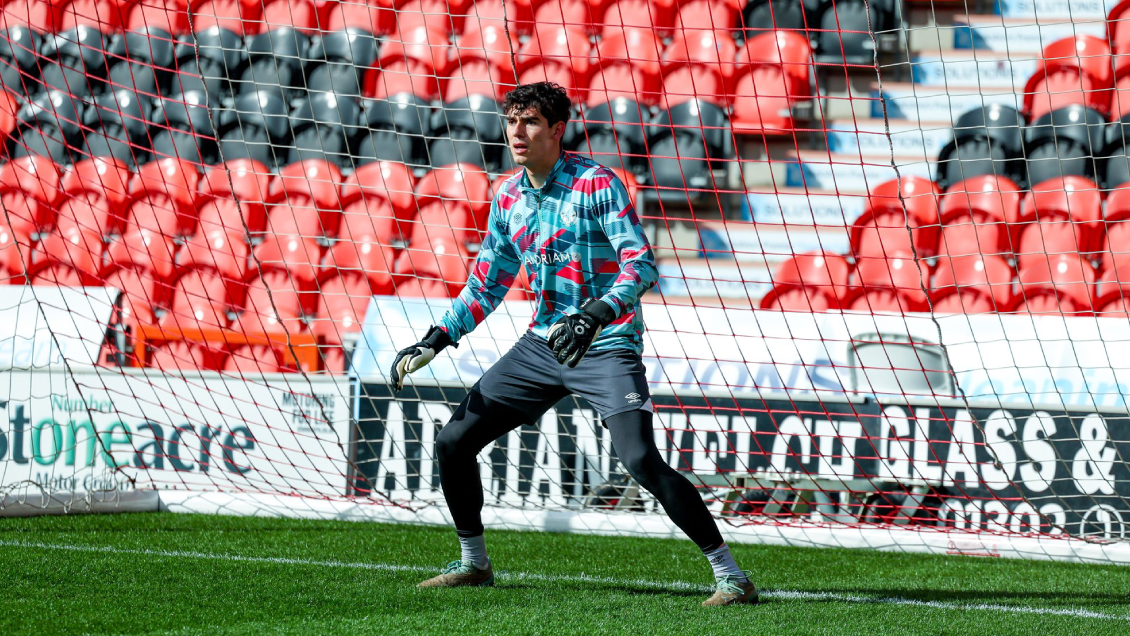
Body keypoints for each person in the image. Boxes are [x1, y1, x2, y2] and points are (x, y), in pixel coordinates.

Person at [389, 82, 757, 606]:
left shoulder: (596, 183)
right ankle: (474, 563)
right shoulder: (508, 196)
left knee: (640, 460)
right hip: (542, 346)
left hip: (605, 344)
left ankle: (731, 576)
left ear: (557, 130)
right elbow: (486, 284)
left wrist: (597, 314)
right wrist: (438, 338)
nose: (517, 132)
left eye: (531, 122)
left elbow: (641, 264)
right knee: (453, 442)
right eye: (512, 121)